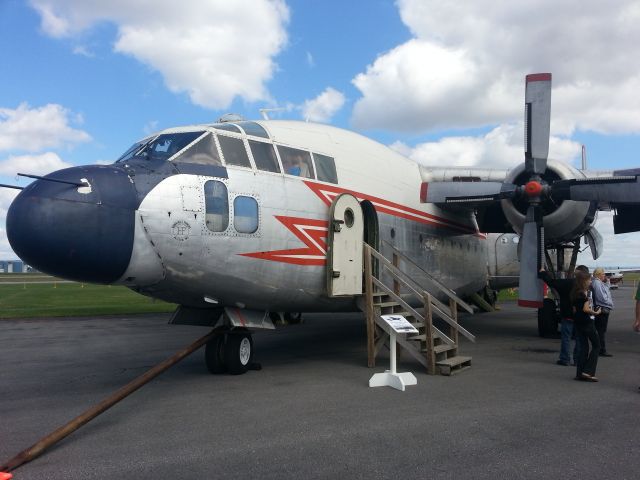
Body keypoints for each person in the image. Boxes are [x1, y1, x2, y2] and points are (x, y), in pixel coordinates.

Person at [539, 265, 590, 366]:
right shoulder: (586, 286)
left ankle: (565, 359)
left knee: (566, 338)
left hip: (567, 315)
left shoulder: (567, 283)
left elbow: (552, 282)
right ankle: (577, 359)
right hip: (580, 316)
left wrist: (543, 273)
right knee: (579, 339)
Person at [571, 270, 602, 382]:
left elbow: (575, 310)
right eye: (589, 279)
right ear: (583, 281)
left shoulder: (575, 293)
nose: (590, 281)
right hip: (587, 322)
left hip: (578, 323)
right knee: (597, 345)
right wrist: (596, 313)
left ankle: (580, 373)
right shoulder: (583, 294)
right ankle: (588, 371)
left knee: (583, 347)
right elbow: (585, 309)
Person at [591, 267, 614, 356]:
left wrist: (607, 282)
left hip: (604, 308)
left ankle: (600, 348)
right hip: (602, 308)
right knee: (601, 330)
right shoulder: (596, 283)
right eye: (603, 274)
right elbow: (601, 296)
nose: (604, 275)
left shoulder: (599, 282)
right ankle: (601, 349)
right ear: (599, 274)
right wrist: (609, 302)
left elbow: (606, 290)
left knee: (601, 330)